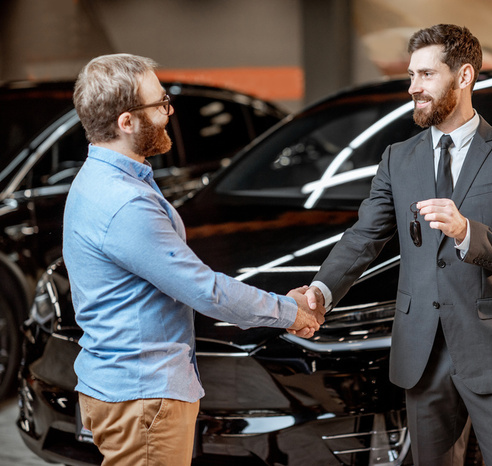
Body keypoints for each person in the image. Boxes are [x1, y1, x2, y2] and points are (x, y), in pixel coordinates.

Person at [301, 25, 492, 465]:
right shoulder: (398, 157)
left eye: (426, 75)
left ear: (464, 76)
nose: (413, 87)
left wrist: (465, 231)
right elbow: (364, 237)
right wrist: (321, 292)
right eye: (411, 76)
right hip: (422, 354)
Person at [63, 53, 325, 466]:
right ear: (126, 122)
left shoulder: (96, 179)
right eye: (159, 104)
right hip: (144, 397)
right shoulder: (125, 201)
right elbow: (206, 290)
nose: (169, 112)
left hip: (118, 387)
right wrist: (290, 312)